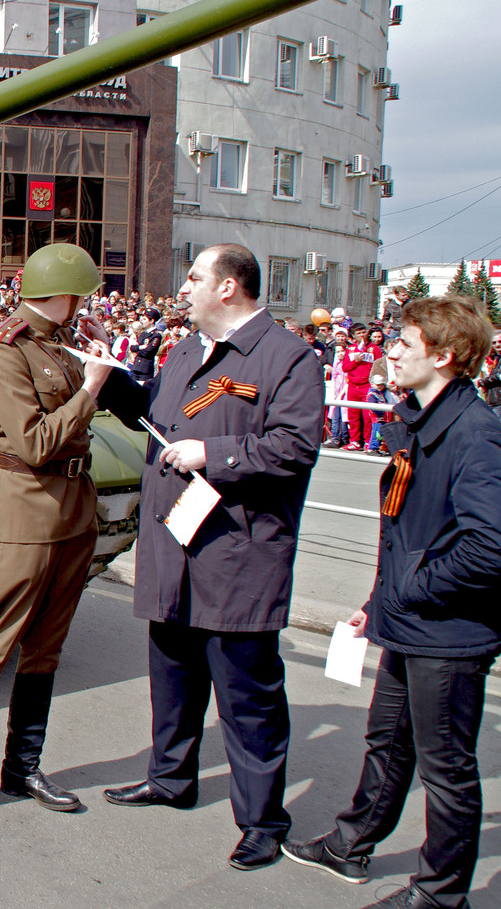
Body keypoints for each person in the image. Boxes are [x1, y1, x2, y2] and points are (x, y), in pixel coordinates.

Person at [284, 296, 501, 909]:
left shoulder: (474, 435)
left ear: (444, 357)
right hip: (411, 618)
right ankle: (350, 845)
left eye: (404, 344)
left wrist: (409, 591)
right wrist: (377, 603)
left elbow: (495, 547)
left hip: (451, 630)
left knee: (445, 767)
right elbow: (407, 530)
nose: (389, 351)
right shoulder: (420, 419)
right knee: (387, 739)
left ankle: (442, 893)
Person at [87, 244, 324, 870]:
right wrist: (110, 375)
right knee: (172, 674)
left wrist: (211, 456)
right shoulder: (186, 351)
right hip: (175, 544)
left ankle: (262, 821)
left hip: (237, 550)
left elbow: (295, 448)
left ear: (228, 287)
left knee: (246, 696)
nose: (182, 287)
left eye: (193, 277)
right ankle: (171, 778)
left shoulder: (288, 357)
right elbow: (158, 418)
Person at [0, 244, 114, 832]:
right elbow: (34, 443)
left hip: (74, 510)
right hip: (25, 511)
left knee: (47, 646)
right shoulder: (4, 349)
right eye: (80, 293)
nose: (85, 302)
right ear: (62, 292)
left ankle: (22, 767)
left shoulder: (64, 345)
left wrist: (99, 368)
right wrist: (91, 389)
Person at [128, 310, 162, 387]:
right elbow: (132, 348)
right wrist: (140, 347)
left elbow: (148, 351)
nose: (142, 322)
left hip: (145, 368)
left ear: (152, 321)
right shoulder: (143, 334)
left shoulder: (156, 335)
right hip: (136, 367)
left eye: (144, 319)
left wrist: (137, 349)